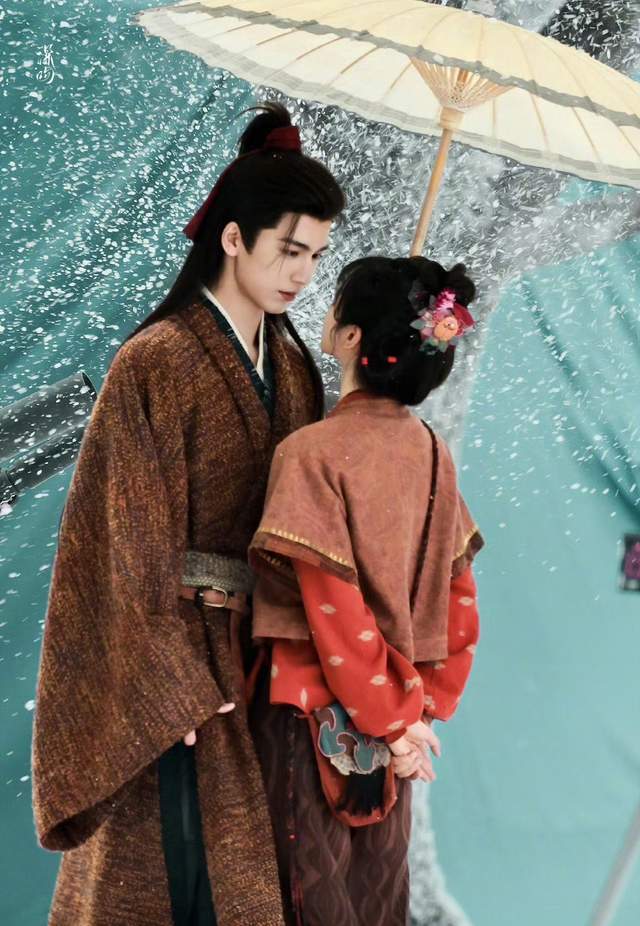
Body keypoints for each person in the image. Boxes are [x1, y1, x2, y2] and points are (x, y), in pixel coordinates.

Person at [31, 102, 345, 926]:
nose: (302, 274)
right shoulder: (156, 361)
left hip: (264, 660)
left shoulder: (295, 369)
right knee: (171, 882)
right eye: (289, 250)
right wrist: (171, 682)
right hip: (173, 667)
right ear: (233, 238)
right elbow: (121, 539)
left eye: (316, 255)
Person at [247, 255, 485, 926]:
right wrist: (418, 710)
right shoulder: (432, 453)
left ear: (351, 337)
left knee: (300, 905)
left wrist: (391, 716)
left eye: (336, 304)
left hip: (307, 719)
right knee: (376, 901)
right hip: (395, 736)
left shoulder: (311, 453)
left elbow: (332, 605)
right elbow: (460, 595)